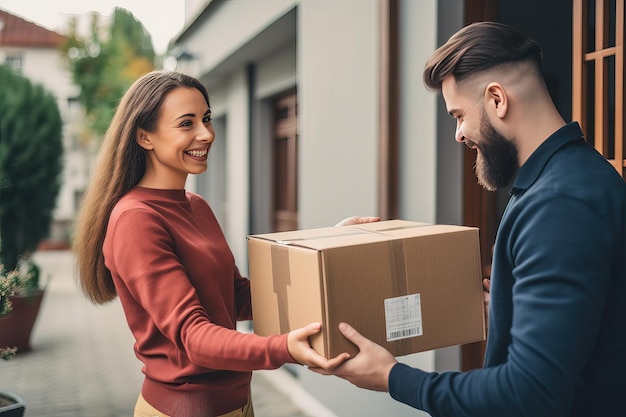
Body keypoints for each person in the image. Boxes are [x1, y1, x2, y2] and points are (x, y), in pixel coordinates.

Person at [312, 21, 626, 417]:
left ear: (497, 99)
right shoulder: (566, 177)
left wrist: (392, 377)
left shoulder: (559, 204)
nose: (458, 135)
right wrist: (512, 314)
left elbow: (529, 395)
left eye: (458, 115)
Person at [73, 70, 360, 417]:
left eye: (206, 119)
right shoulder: (136, 219)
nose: (206, 133)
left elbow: (236, 297)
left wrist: (325, 249)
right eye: (186, 123)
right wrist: (284, 348)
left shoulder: (196, 206)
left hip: (238, 401)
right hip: (187, 408)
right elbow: (194, 337)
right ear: (144, 137)